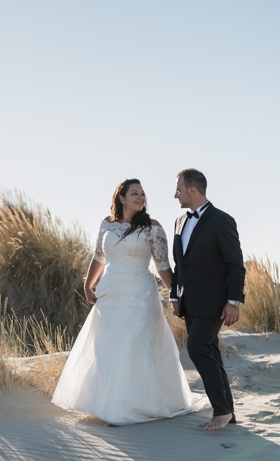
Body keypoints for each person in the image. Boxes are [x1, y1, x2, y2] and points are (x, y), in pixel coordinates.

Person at [52, 178, 208, 426]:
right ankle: (108, 405)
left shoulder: (153, 227)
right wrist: (87, 284)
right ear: (121, 198)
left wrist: (177, 295)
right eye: (134, 193)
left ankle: (129, 407)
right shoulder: (107, 224)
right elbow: (98, 257)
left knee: (133, 346)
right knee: (109, 347)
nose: (140, 197)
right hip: (110, 295)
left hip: (140, 295)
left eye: (143, 193)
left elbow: (163, 266)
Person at [170, 168, 246, 431]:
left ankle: (222, 411)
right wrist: (174, 296)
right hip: (189, 302)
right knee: (210, 351)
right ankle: (228, 412)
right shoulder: (180, 221)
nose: (175, 194)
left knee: (197, 348)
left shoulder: (222, 220)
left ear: (192, 189)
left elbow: (236, 265)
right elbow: (179, 265)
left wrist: (233, 301)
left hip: (214, 302)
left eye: (178, 189)